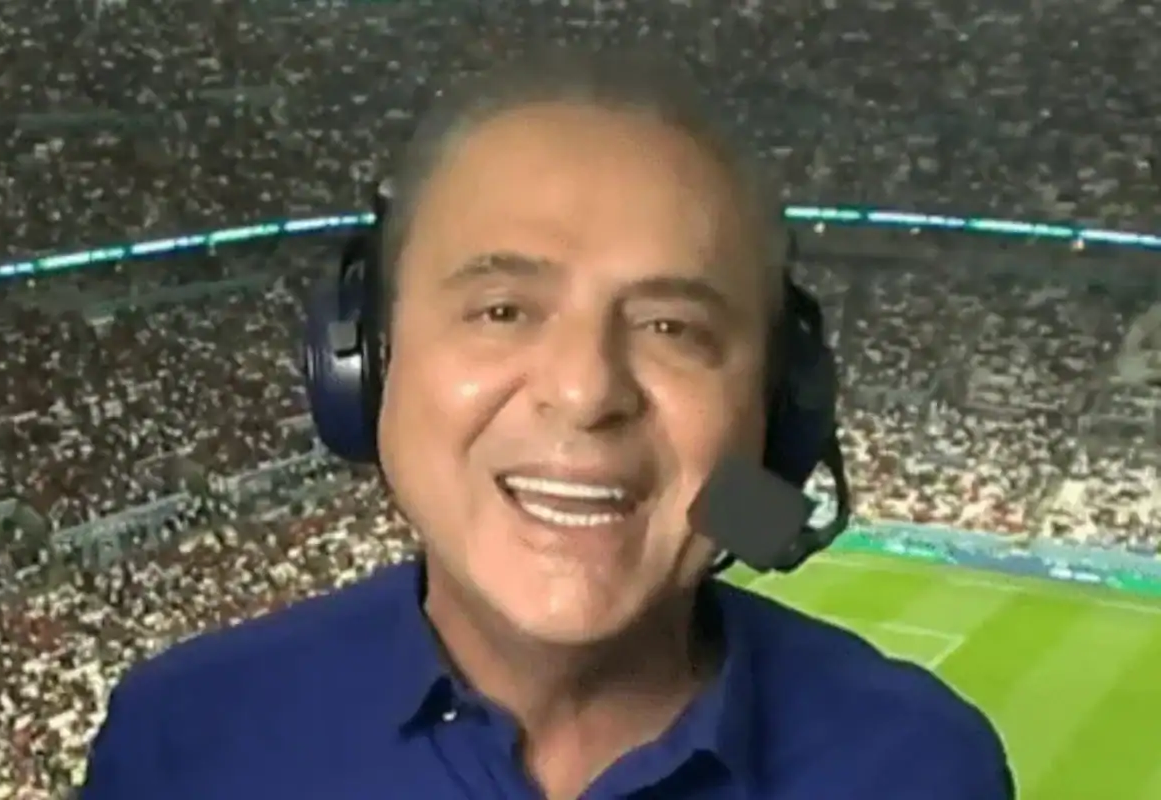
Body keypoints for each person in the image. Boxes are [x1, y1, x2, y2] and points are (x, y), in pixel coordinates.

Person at [81, 47, 1014, 799]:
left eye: (672, 328)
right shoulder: (180, 742)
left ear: (779, 410)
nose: (584, 390)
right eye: (501, 310)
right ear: (364, 366)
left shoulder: (925, 769)